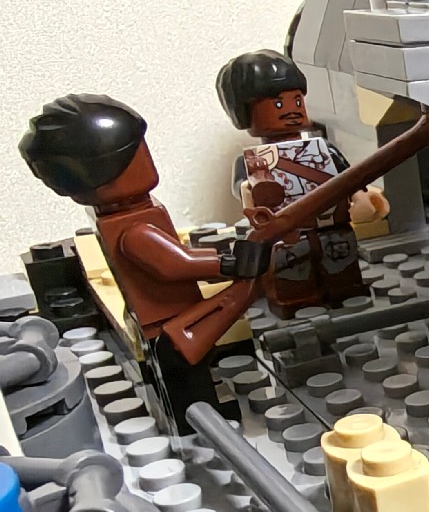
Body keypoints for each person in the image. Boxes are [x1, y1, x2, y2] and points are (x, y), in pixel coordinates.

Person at [18, 94, 271, 433]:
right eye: (138, 152)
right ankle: (199, 424)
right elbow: (176, 264)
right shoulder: (133, 229)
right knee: (187, 378)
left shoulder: (119, 215)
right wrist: (229, 262)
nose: (148, 158)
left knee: (181, 374)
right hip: (171, 324)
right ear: (107, 170)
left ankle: (201, 413)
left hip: (160, 321)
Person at [216, 50, 387, 317]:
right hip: (287, 234)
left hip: (332, 226)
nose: (292, 110)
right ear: (244, 113)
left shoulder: (323, 150)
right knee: (292, 270)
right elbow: (242, 187)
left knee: (340, 262)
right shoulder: (254, 161)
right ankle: (297, 301)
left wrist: (361, 197)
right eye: (278, 104)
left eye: (297, 100)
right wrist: (251, 194)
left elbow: (348, 177)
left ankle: (345, 290)